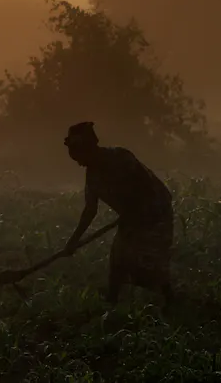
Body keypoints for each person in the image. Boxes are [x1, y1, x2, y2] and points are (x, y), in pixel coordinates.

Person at [61, 121, 176, 304]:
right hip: (131, 218)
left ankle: (170, 298)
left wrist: (134, 210)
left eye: (79, 156)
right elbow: (90, 210)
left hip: (156, 212)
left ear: (89, 148)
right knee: (118, 258)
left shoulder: (121, 157)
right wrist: (73, 241)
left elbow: (145, 186)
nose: (79, 163)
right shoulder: (92, 176)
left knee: (152, 260)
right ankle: (111, 303)